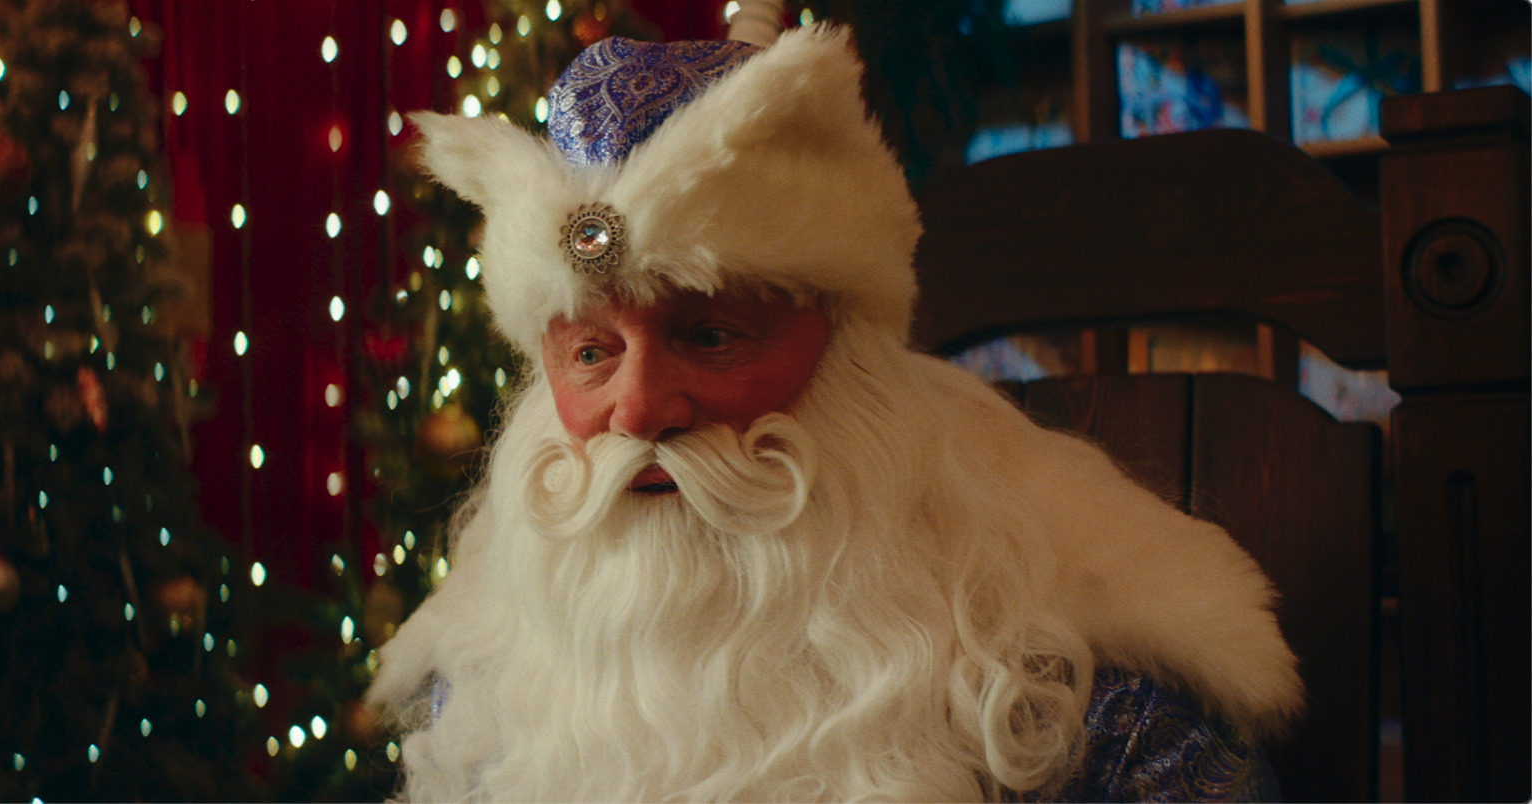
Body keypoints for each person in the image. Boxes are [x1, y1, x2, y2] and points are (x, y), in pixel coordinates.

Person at [365, 23, 1302, 802]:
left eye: (709, 336)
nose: (638, 411)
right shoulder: (479, 688)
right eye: (590, 354)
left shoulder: (1097, 702)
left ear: (852, 362)